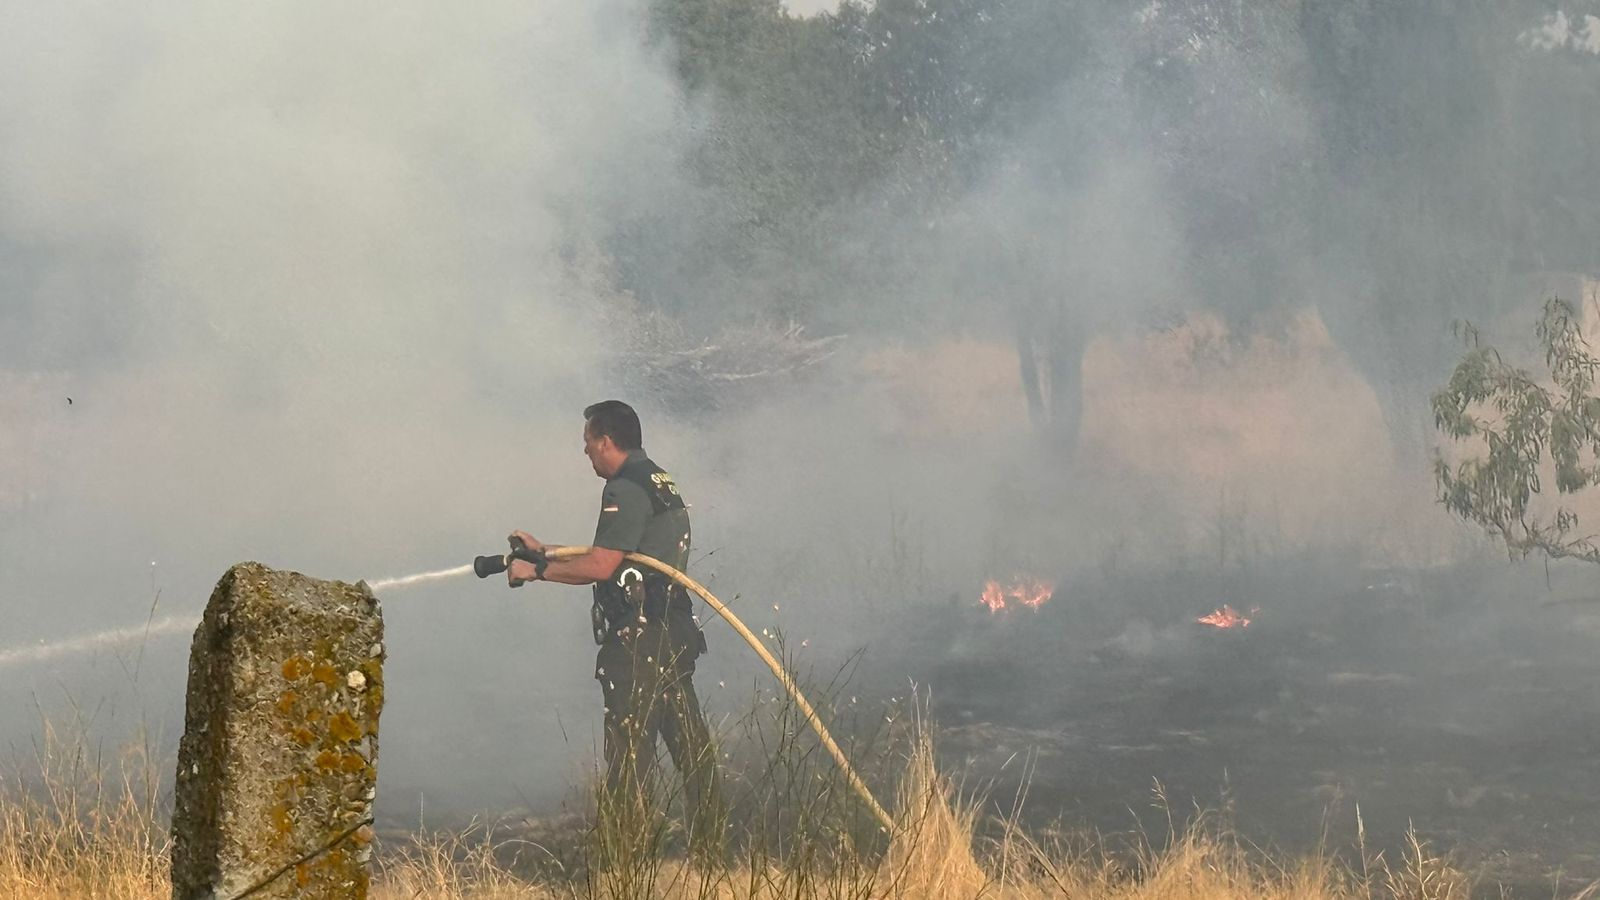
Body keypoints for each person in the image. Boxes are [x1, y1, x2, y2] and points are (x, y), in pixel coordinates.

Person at [506, 400, 724, 858]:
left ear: (606, 441)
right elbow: (625, 551)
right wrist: (545, 549)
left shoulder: (624, 488)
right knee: (691, 749)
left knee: (628, 754)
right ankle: (711, 853)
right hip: (672, 630)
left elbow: (604, 565)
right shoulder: (658, 479)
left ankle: (620, 864)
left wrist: (535, 572)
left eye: (588, 443)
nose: (585, 453)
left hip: (639, 638)